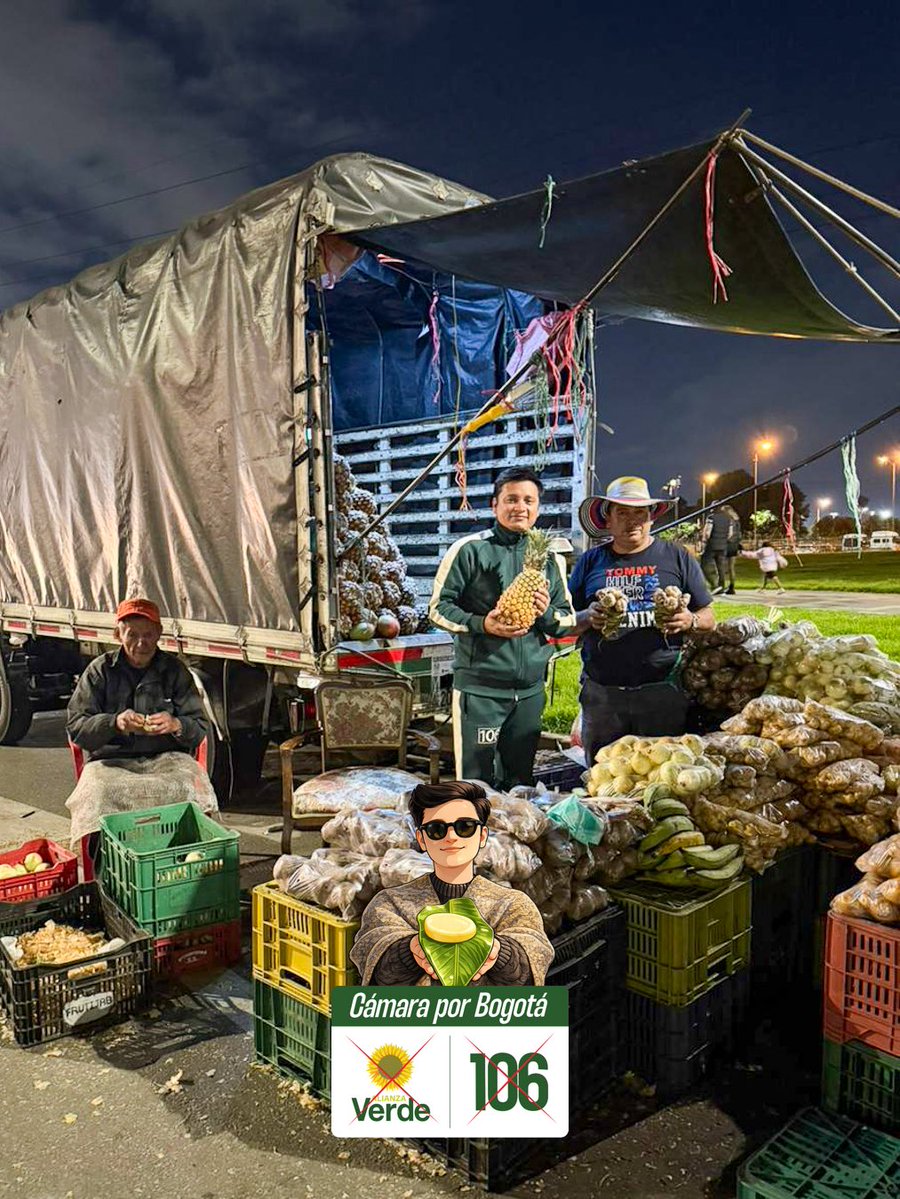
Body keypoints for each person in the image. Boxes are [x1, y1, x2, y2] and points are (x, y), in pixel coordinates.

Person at [429, 466, 575, 789]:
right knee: (475, 783)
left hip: (530, 693)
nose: (519, 507)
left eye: (528, 500)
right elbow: (438, 609)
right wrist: (482, 624)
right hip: (481, 692)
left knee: (519, 782)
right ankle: (473, 838)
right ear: (494, 505)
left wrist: (546, 613)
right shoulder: (469, 550)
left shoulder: (551, 560)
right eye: (511, 499)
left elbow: (567, 619)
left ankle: (510, 841)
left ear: (538, 508)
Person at [570, 477, 716, 766]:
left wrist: (689, 620)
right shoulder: (590, 561)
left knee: (663, 777)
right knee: (602, 779)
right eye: (622, 513)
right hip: (603, 695)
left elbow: (708, 616)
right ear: (608, 520)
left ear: (650, 518)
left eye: (640, 512)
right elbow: (565, 621)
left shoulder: (676, 557)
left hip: (662, 691)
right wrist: (588, 616)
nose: (632, 521)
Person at [349, 781, 554, 986]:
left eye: (465, 827)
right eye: (436, 829)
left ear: (482, 835)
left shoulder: (512, 903)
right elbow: (372, 958)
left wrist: (500, 953)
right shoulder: (390, 903)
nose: (451, 837)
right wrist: (408, 951)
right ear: (421, 839)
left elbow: (534, 958)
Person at [66, 598, 217, 856]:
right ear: (118, 634)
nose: (140, 643)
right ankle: (110, 868)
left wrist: (176, 724)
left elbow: (200, 725)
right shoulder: (100, 671)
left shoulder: (174, 670)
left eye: (148, 635)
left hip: (167, 758)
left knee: (190, 786)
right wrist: (114, 723)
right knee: (99, 793)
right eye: (132, 634)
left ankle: (182, 861)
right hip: (111, 762)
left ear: (159, 634)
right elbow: (76, 726)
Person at [701, 506, 740, 595]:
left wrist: (705, 540)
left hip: (712, 545)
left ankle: (714, 585)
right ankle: (721, 587)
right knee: (721, 567)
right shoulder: (728, 519)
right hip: (723, 546)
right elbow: (730, 534)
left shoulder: (711, 517)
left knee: (704, 564)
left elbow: (707, 533)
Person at [723, 506, 742, 595]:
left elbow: (728, 534)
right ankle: (731, 586)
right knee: (731, 567)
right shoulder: (737, 521)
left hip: (728, 544)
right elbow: (739, 535)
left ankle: (722, 586)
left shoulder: (729, 521)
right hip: (735, 545)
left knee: (723, 566)